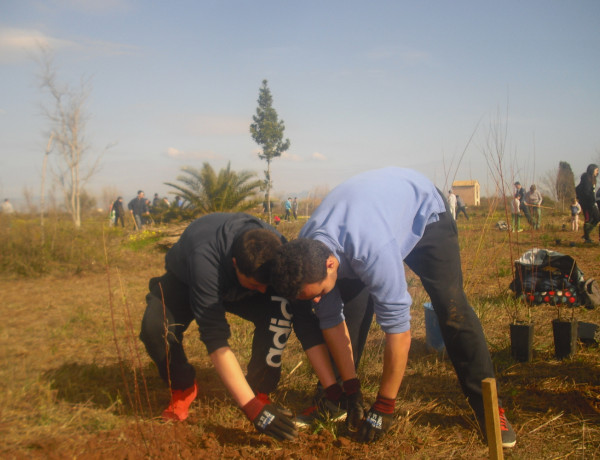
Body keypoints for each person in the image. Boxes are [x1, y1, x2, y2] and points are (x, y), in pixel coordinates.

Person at [271, 167, 516, 448]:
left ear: (330, 264)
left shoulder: (372, 249)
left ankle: (489, 409)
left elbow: (398, 332)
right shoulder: (306, 251)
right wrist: (353, 390)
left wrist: (385, 405)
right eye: (310, 298)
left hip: (425, 214)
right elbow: (329, 321)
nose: (317, 301)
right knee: (349, 308)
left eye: (318, 294)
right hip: (370, 217)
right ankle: (338, 397)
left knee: (451, 308)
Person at [139, 212, 334, 441]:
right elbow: (215, 338)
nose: (262, 290)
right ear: (235, 264)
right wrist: (252, 411)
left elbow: (303, 318)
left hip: (238, 283)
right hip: (187, 281)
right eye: (255, 284)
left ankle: (259, 389)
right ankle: (183, 387)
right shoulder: (205, 258)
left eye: (266, 284)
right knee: (154, 328)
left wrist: (334, 388)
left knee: (280, 310)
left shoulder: (281, 252)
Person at [575, 164, 599, 243]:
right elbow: (584, 191)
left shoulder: (593, 179)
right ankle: (587, 238)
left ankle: (586, 234)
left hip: (592, 202)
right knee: (588, 219)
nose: (597, 172)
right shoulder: (586, 178)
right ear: (592, 170)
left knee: (597, 218)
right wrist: (581, 198)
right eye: (596, 170)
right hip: (587, 203)